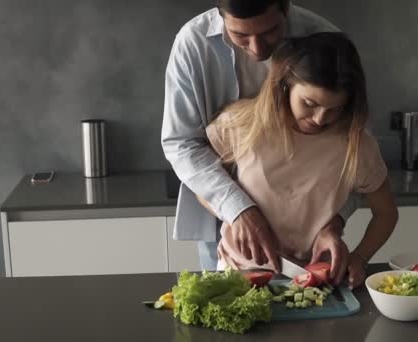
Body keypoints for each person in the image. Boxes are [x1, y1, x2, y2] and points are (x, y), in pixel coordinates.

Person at [162, 0, 362, 282]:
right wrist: (238, 210)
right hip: (227, 221)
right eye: (241, 36)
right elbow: (183, 143)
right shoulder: (192, 44)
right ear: (221, 16)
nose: (257, 50)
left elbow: (352, 147)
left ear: (286, 8)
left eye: (270, 32)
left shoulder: (325, 39)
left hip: (309, 237)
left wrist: (334, 222)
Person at [203, 32, 399, 289]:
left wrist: (360, 257)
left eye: (335, 109)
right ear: (285, 84)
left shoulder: (358, 145)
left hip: (311, 280)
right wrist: (233, 213)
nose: (320, 119)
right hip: (235, 273)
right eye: (309, 103)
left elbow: (386, 214)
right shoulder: (240, 124)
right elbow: (200, 182)